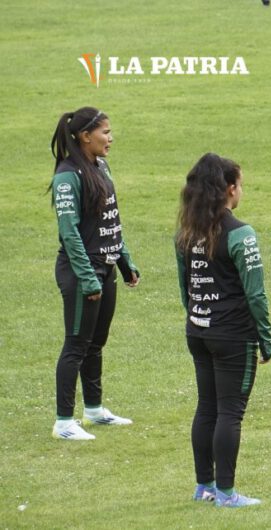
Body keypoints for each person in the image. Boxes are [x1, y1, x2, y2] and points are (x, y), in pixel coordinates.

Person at [176, 153, 271, 507]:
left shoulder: (186, 232)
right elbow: (255, 293)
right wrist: (265, 337)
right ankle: (227, 494)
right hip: (233, 335)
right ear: (230, 190)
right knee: (230, 412)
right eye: (240, 184)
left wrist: (198, 316)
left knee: (207, 408)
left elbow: (185, 286)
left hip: (198, 332)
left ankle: (204, 486)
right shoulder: (241, 234)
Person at [49, 107, 140, 441]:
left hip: (105, 265)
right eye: (105, 132)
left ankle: (94, 410)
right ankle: (63, 422)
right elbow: (69, 232)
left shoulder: (101, 166)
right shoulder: (67, 176)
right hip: (80, 270)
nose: (110, 138)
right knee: (76, 344)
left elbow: (110, 219)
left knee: (96, 342)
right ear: (85, 136)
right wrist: (87, 277)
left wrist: (124, 261)